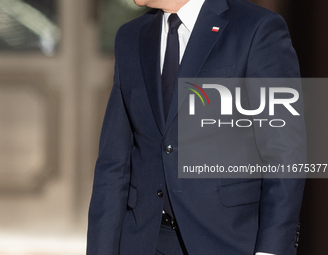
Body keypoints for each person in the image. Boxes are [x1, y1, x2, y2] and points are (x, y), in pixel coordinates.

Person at [87, 0, 306, 254]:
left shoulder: (257, 28)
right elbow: (113, 164)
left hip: (227, 241)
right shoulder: (130, 36)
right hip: (143, 241)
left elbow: (286, 153)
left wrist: (272, 249)